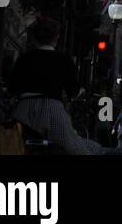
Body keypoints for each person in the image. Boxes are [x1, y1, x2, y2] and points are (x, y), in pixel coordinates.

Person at [8, 17, 102, 155]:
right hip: (53, 111)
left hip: (24, 110)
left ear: (35, 37)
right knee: (82, 149)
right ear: (56, 38)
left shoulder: (24, 58)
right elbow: (73, 91)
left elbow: (13, 88)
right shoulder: (63, 60)